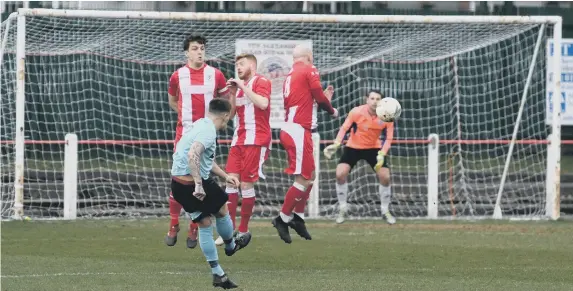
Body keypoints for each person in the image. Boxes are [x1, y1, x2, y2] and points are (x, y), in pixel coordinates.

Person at [171, 98, 249, 289]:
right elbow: (193, 155)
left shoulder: (201, 124)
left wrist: (225, 176)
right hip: (192, 183)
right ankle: (231, 246)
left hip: (178, 184)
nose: (227, 122)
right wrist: (198, 184)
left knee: (205, 223)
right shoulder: (208, 132)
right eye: (228, 119)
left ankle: (218, 274)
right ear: (224, 115)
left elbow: (203, 159)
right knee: (222, 208)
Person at [166, 35, 230, 248]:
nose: (199, 52)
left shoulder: (216, 75)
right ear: (187, 52)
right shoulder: (177, 76)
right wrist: (189, 125)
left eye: (202, 48)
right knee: (179, 178)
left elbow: (225, 103)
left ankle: (196, 226)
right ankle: (174, 223)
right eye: (195, 48)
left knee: (202, 177)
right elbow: (173, 101)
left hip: (207, 136)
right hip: (184, 135)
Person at [272, 45, 338, 244]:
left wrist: (321, 101)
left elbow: (309, 100)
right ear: (309, 57)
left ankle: (298, 217)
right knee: (304, 178)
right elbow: (318, 94)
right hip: (298, 130)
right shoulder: (309, 69)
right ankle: (283, 218)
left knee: (311, 176)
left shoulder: (291, 74)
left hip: (295, 129)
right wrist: (332, 110)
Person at [214, 53, 272, 246]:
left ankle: (244, 230)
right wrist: (231, 93)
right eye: (236, 64)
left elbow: (263, 103)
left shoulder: (261, 81)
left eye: (242, 64)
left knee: (246, 185)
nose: (238, 67)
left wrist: (242, 86)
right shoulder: (239, 90)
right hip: (238, 140)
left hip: (256, 140)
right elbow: (230, 116)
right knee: (230, 182)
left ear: (252, 65)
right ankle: (227, 231)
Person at [323, 90, 396, 224]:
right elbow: (344, 128)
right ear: (367, 100)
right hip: (353, 147)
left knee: (385, 176)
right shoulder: (356, 112)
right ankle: (343, 208)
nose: (375, 101)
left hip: (374, 149)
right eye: (372, 98)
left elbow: (389, 137)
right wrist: (337, 144)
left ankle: (385, 210)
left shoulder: (387, 115)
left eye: (378, 99)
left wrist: (382, 154)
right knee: (340, 174)